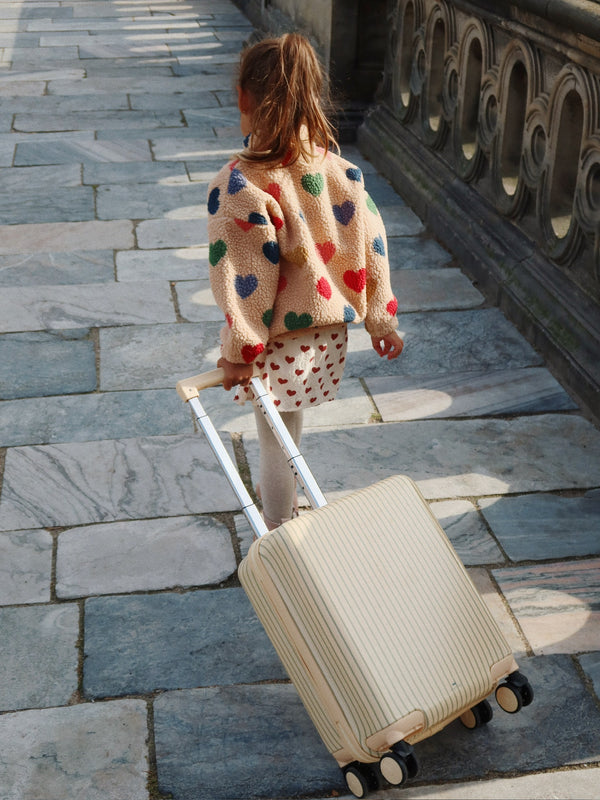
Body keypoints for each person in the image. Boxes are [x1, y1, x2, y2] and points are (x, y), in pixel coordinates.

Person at [207, 33, 403, 530]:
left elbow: (246, 273)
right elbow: (373, 244)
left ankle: (279, 531)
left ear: (243, 98)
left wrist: (239, 350)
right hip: (326, 338)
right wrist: (381, 319)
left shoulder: (241, 183)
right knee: (289, 425)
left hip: (277, 334)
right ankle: (287, 500)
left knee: (273, 439)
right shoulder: (340, 171)